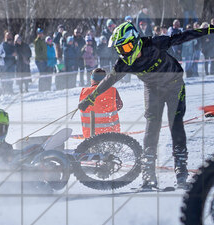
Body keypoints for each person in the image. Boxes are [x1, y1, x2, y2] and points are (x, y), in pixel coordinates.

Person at [78, 20, 214, 189]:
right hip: (153, 89)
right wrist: (91, 97)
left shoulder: (154, 43)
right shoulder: (124, 63)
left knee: (175, 124)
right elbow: (109, 79)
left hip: (174, 85)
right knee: (152, 125)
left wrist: (207, 30)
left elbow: (181, 37)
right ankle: (148, 174)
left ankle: (181, 172)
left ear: (135, 40)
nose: (124, 53)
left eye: (126, 47)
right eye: (120, 49)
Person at [78, 67, 123, 138]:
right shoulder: (112, 90)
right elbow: (119, 105)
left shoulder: (85, 92)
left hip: (90, 133)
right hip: (111, 132)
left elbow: (81, 107)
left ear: (92, 79)